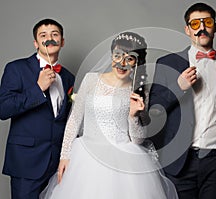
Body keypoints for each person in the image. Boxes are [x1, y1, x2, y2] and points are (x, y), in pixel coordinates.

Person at [39, 31, 178, 199]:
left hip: (125, 161)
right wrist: (64, 156)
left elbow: (138, 139)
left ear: (136, 63)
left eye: (130, 58)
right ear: (112, 55)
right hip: (86, 157)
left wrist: (134, 115)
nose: (122, 63)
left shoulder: (140, 91)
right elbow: (74, 120)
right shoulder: (91, 80)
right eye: (118, 56)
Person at [148, 2, 216, 199]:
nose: (201, 28)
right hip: (180, 162)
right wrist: (178, 87)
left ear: (215, 27)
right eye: (195, 24)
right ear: (187, 30)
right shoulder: (168, 63)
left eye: (207, 22)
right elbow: (153, 111)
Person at [0, 18, 75, 199]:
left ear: (62, 41)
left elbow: (67, 119)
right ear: (36, 43)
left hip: (58, 163)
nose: (49, 39)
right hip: (27, 162)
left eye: (54, 34)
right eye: (43, 35)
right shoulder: (16, 68)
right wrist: (37, 89)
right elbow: (3, 109)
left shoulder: (68, 77)